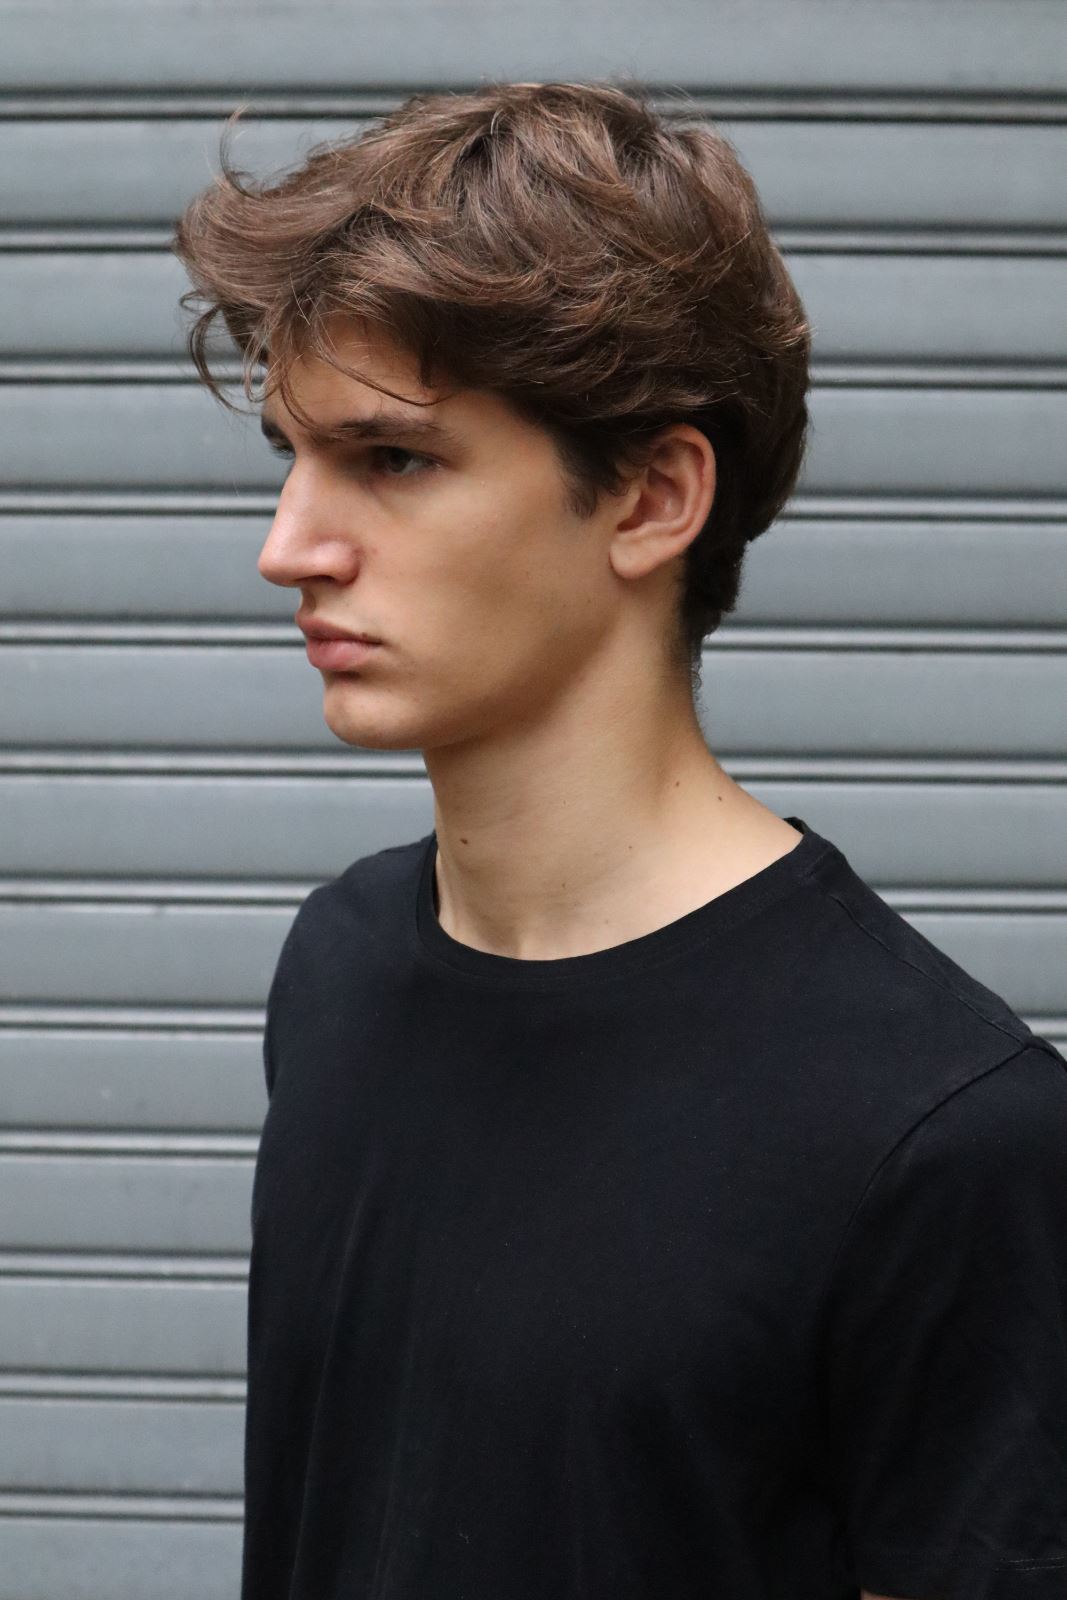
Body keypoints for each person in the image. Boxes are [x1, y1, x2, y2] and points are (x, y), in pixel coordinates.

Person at [171, 79, 1067, 1600]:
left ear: (652, 497)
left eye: (392, 460)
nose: (286, 548)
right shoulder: (339, 971)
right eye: (290, 455)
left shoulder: (942, 1137)